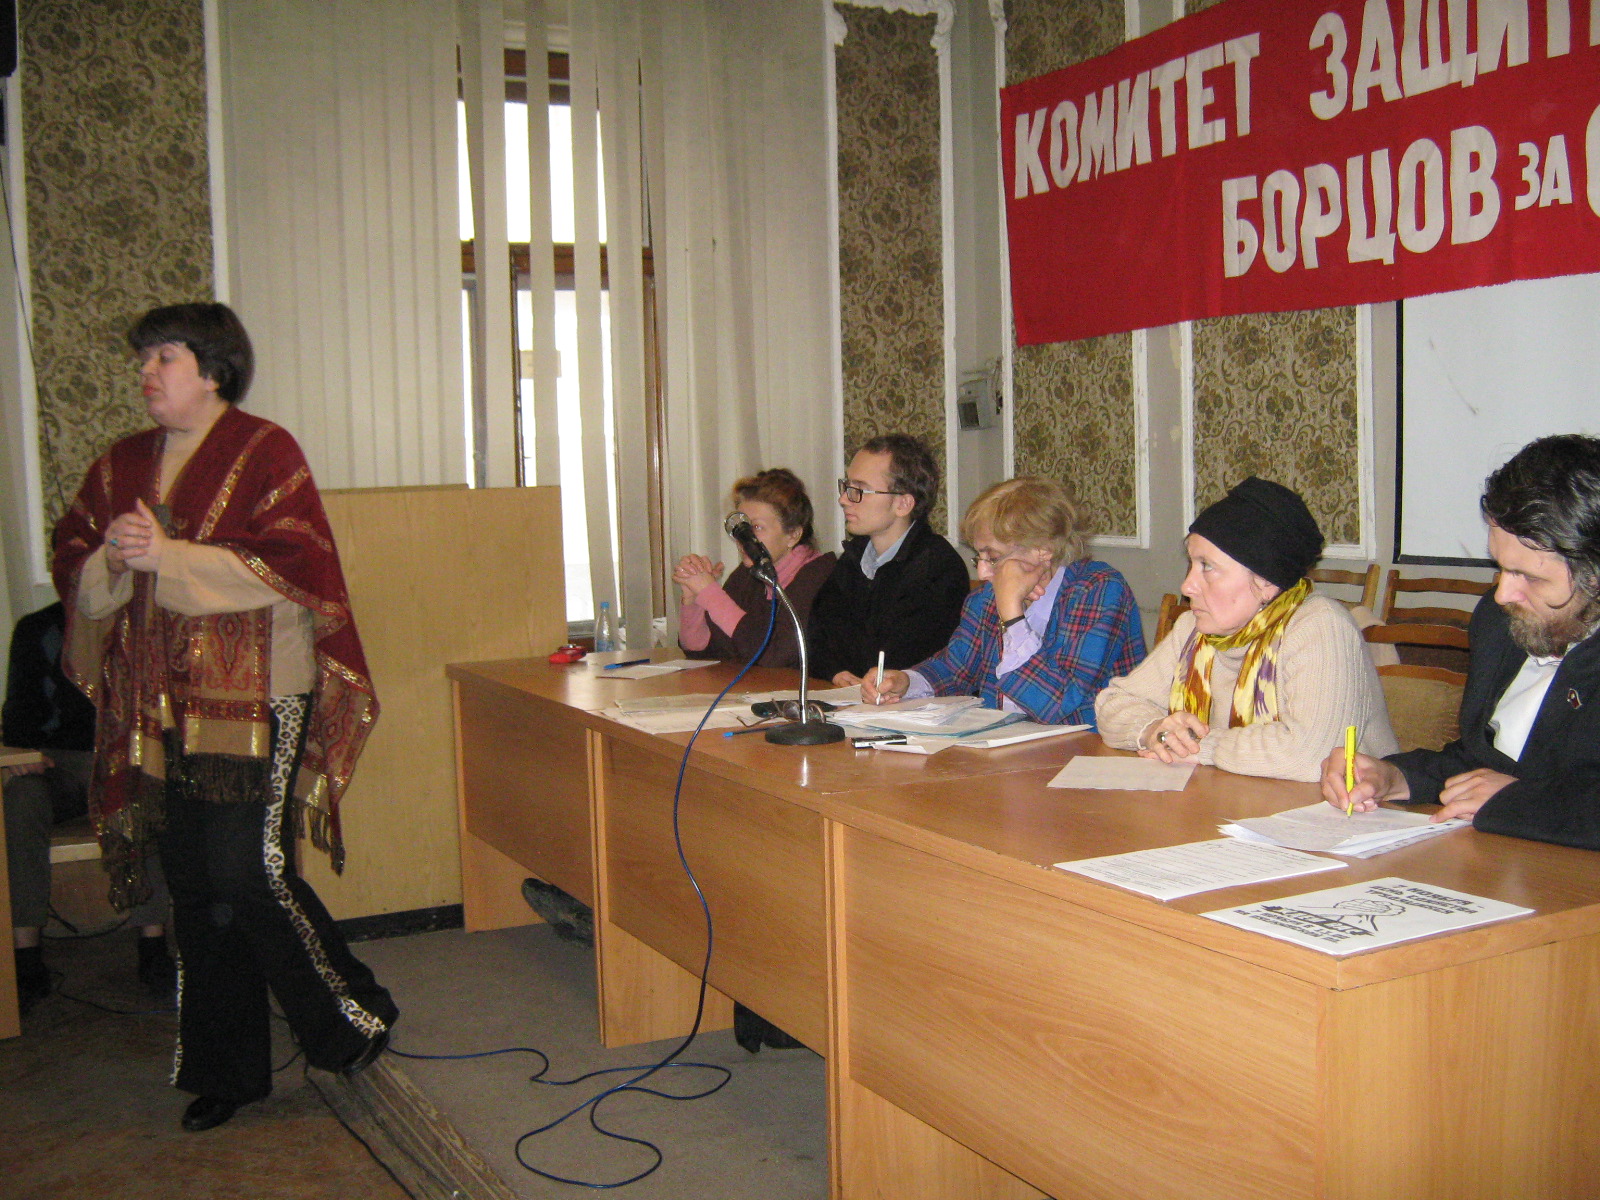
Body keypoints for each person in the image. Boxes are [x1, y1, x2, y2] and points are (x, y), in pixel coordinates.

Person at [51, 302, 394, 1133]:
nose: (147, 373)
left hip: (259, 693)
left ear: (212, 370)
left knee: (250, 871)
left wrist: (165, 556)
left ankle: (350, 1014)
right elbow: (75, 555)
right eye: (145, 359)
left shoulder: (265, 449)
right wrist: (112, 553)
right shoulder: (123, 461)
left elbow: (294, 566)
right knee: (198, 886)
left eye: (164, 357)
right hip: (158, 698)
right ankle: (226, 1069)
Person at [1323, 435, 1600, 847]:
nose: (1504, 594)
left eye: (1532, 577)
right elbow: (1481, 760)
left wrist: (1514, 801)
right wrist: (1395, 777)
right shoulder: (1499, 623)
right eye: (1501, 568)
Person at [1096, 477, 1397, 781]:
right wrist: (1153, 730)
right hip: (1231, 803)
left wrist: (1195, 743)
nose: (1187, 585)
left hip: (1344, 816)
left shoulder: (1320, 625)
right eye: (1191, 564)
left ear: (1266, 581)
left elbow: (1309, 757)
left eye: (1207, 567)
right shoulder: (1194, 628)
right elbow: (1114, 703)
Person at [862, 476, 1143, 726]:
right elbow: (955, 668)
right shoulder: (985, 599)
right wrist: (905, 682)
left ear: (1042, 550)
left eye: (993, 558)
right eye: (979, 557)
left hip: (1083, 755)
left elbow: (1055, 705)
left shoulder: (1098, 590)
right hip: (1008, 752)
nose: (982, 572)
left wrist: (1012, 615)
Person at [5, 602, 175, 1012]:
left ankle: (153, 948)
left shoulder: (146, 621)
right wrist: (21, 753)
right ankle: (25, 959)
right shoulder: (39, 628)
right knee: (19, 799)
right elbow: (18, 717)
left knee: (140, 792)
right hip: (59, 762)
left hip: (128, 759)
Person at [806, 434, 970, 686]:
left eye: (859, 490)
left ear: (903, 504)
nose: (843, 499)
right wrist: (835, 672)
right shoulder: (853, 558)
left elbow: (905, 658)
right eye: (846, 486)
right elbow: (815, 638)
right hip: (850, 702)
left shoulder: (938, 568)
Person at [675, 468, 836, 670]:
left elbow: (774, 657)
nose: (744, 539)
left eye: (757, 527)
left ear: (793, 535)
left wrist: (711, 594)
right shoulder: (747, 575)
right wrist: (694, 600)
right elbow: (704, 653)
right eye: (741, 527)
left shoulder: (819, 576)